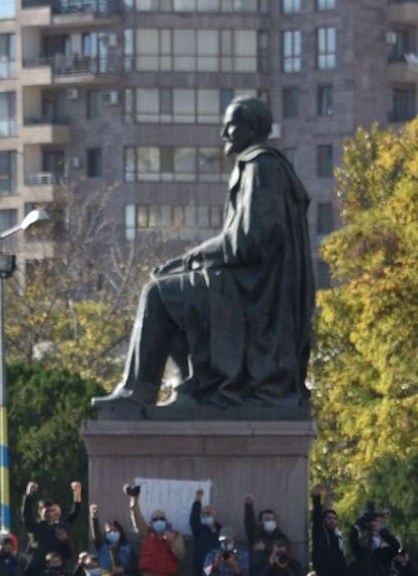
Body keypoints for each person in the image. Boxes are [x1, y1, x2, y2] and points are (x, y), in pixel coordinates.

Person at [96, 96, 314, 411]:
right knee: (170, 284)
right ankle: (191, 385)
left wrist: (191, 258)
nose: (224, 133)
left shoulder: (260, 166)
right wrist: (189, 261)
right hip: (250, 288)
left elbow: (248, 241)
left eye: (231, 125)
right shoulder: (265, 166)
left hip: (255, 295)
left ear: (251, 128)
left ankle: (139, 394)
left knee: (159, 292)